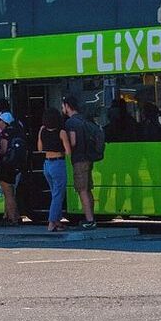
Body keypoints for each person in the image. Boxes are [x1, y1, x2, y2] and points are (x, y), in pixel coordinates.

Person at [62, 95, 96, 229]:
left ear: (67, 106)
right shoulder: (83, 119)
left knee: (82, 190)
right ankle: (91, 217)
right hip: (88, 158)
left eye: (63, 106)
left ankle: (89, 220)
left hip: (79, 160)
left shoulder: (71, 122)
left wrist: (65, 146)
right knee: (87, 189)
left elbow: (73, 142)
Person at [38, 108, 71, 232]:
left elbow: (40, 148)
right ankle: (52, 222)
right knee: (58, 194)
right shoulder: (61, 132)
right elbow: (68, 151)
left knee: (55, 193)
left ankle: (57, 221)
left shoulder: (42, 130)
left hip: (46, 164)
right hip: (58, 163)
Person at [0, 111, 24, 226]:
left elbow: (3, 150)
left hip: (6, 166)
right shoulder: (17, 131)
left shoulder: (5, 133)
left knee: (8, 193)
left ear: (4, 122)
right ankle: (15, 216)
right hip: (16, 165)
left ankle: (13, 219)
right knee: (11, 192)